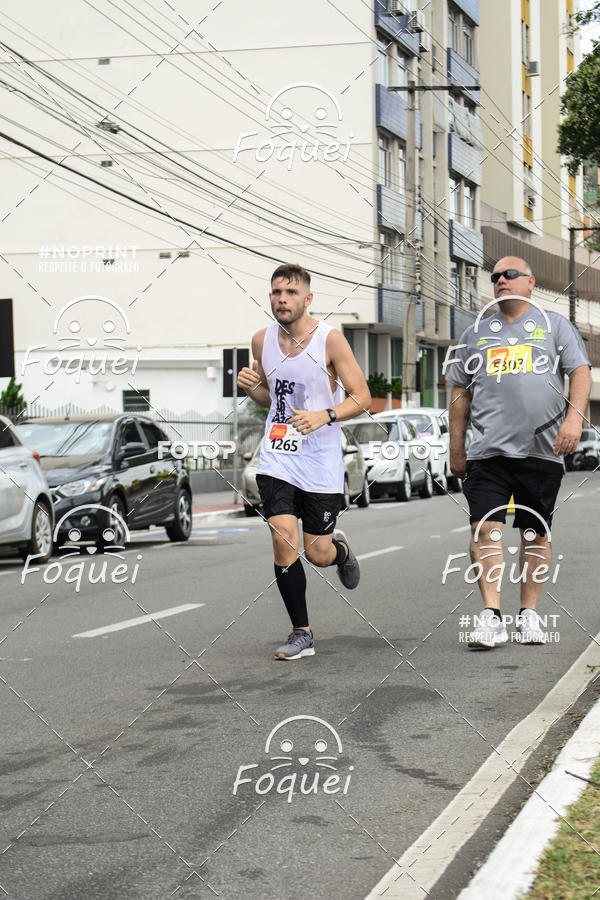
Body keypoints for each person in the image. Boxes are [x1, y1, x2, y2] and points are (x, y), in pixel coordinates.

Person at [447, 256, 592, 649]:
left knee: (534, 532)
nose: (500, 281)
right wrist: (455, 447)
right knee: (483, 527)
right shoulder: (475, 333)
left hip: (541, 451)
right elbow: (459, 393)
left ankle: (528, 614)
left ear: (530, 282)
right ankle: (491, 615)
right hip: (487, 452)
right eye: (494, 277)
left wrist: (573, 420)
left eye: (509, 275)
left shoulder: (555, 326)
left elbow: (580, 371)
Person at [237, 263, 371, 660]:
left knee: (317, 553)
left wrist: (325, 415)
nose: (282, 299)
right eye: (276, 292)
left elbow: (362, 396)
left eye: (291, 293)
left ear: (307, 298)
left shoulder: (330, 340)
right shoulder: (262, 341)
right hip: (277, 455)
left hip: (320, 460)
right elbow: (270, 400)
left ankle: (340, 551)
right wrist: (254, 387)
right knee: (282, 539)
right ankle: (301, 632)